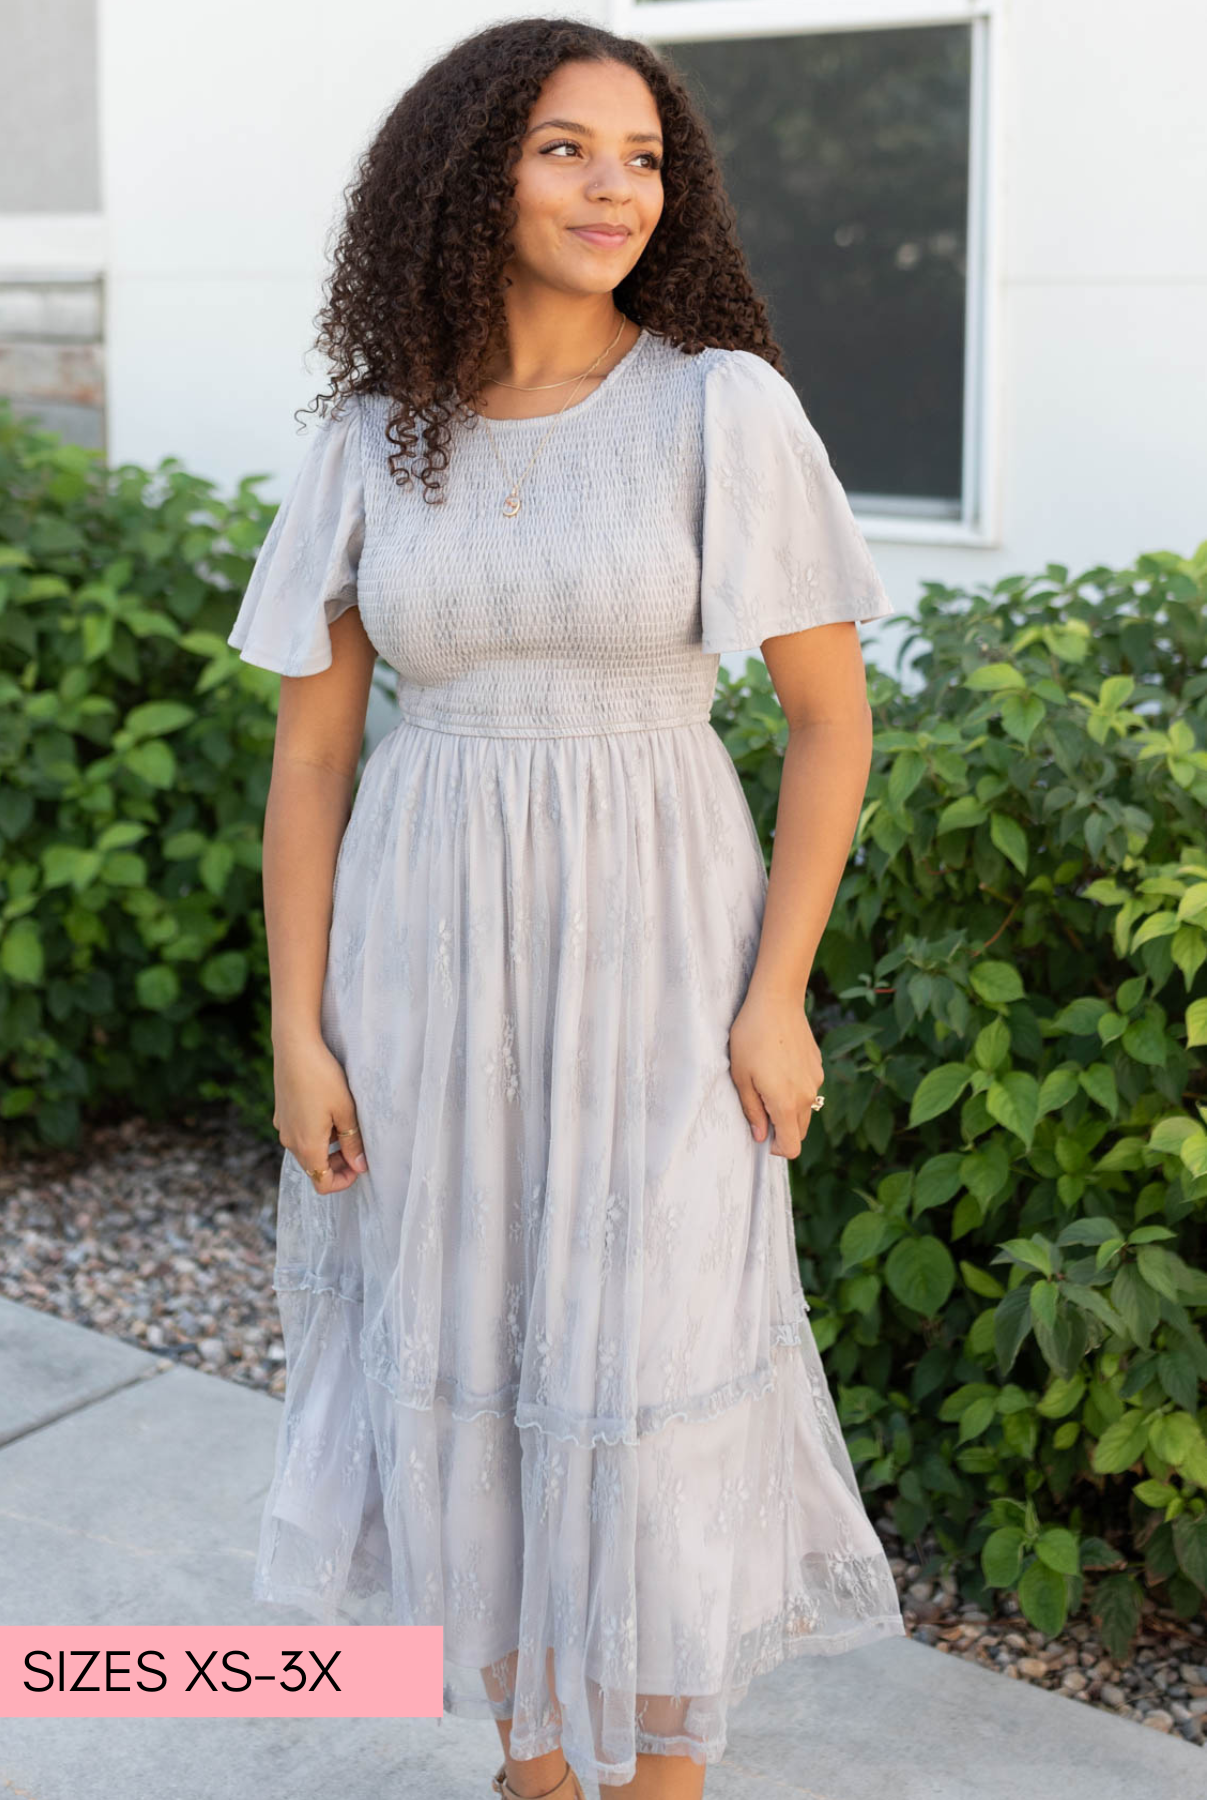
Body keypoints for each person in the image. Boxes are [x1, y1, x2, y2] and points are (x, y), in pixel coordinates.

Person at [227, 17, 906, 1799]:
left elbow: (831, 725)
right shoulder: (375, 438)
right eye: (564, 147)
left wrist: (777, 997)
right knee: (464, 1360)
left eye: (644, 156)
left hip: (668, 963)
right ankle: (533, 1768)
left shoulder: (716, 406)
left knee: (650, 1368)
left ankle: (664, 1776)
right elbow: (313, 762)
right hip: (425, 962)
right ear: (469, 174)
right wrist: (298, 1032)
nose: (616, 185)